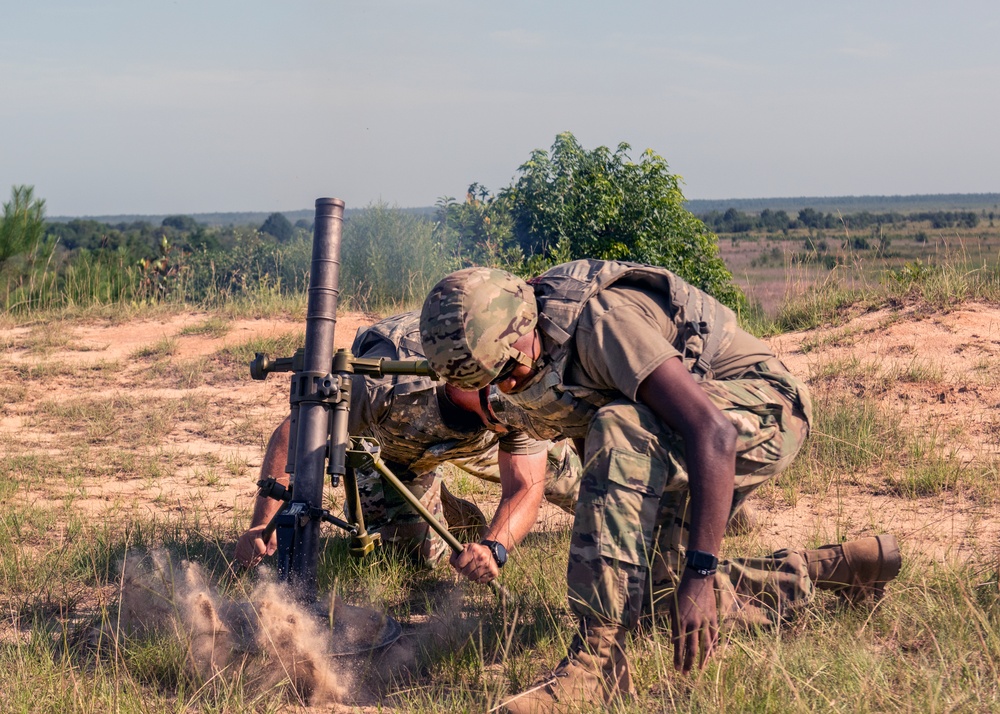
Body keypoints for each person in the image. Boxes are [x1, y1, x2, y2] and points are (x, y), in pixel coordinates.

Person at [419, 260, 902, 712]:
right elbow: (603, 453)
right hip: (680, 436)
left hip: (763, 410)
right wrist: (638, 557)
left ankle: (598, 664)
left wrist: (701, 572)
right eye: (491, 382)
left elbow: (712, 432)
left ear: (522, 329)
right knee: (649, 598)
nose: (504, 386)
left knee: (630, 452)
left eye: (505, 371)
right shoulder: (540, 348)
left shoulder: (601, 322)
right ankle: (837, 569)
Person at [236, 311, 582, 580]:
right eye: (500, 385)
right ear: (463, 375)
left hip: (480, 436)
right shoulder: (381, 383)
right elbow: (295, 431)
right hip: (399, 448)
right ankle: (445, 511)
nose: (509, 389)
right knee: (409, 561)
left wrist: (495, 547)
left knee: (585, 491)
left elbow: (525, 486)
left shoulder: (516, 389)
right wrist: (262, 523)